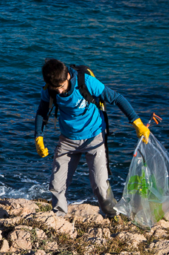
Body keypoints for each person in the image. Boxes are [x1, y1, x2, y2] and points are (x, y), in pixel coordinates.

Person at [34, 59, 151, 217]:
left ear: (68, 76)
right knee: (57, 185)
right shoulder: (50, 90)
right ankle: (58, 219)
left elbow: (117, 98)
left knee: (100, 186)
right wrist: (38, 137)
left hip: (94, 138)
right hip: (68, 140)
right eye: (56, 88)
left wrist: (136, 122)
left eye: (61, 86)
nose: (59, 91)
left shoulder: (87, 83)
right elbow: (42, 112)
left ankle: (112, 216)